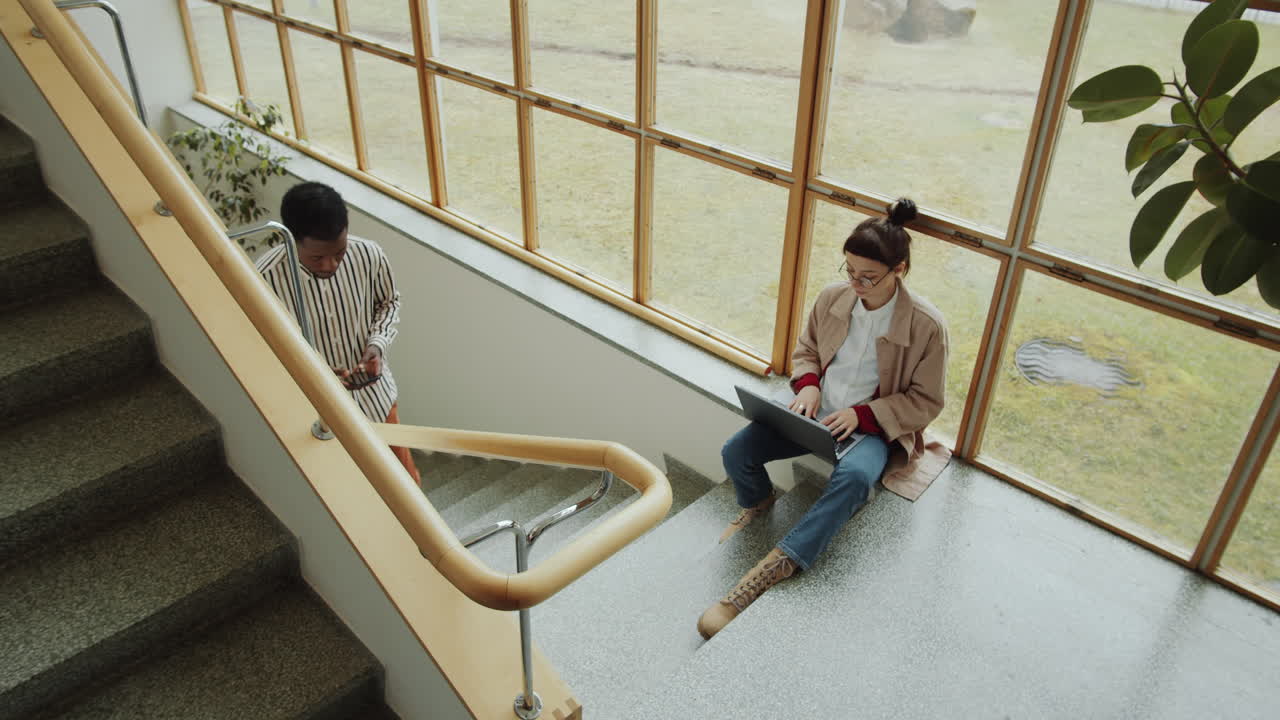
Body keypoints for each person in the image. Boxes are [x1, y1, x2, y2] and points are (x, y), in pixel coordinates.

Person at [698, 197, 949, 639]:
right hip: (814, 414)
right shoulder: (834, 298)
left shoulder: (927, 326)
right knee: (737, 451)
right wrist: (809, 383)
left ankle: (781, 561)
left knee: (853, 481)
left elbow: (927, 400)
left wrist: (864, 414)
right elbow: (807, 349)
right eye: (849, 271)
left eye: (868, 277)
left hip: (871, 430)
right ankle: (758, 502)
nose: (856, 283)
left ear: (900, 270)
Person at [256, 181, 423, 487]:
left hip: (377, 401)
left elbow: (388, 303)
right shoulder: (262, 281)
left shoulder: (369, 255)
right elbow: (261, 352)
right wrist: (316, 374)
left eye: (339, 253)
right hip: (318, 419)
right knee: (351, 493)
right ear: (291, 239)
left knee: (406, 484)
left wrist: (377, 345)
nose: (330, 264)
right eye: (317, 258)